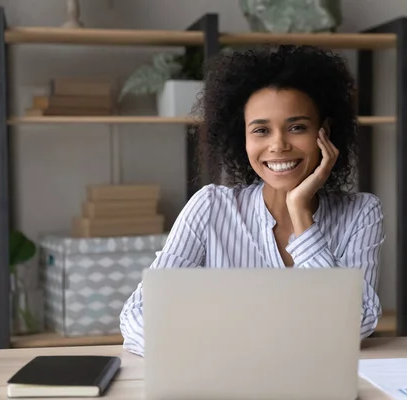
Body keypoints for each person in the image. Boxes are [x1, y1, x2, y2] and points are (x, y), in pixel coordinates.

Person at [119, 44, 386, 357]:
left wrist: (300, 212)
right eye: (261, 130)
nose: (278, 145)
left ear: (323, 133)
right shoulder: (210, 208)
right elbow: (138, 314)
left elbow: (355, 323)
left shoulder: (361, 213)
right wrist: (206, 351)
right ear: (242, 138)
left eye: (297, 127)